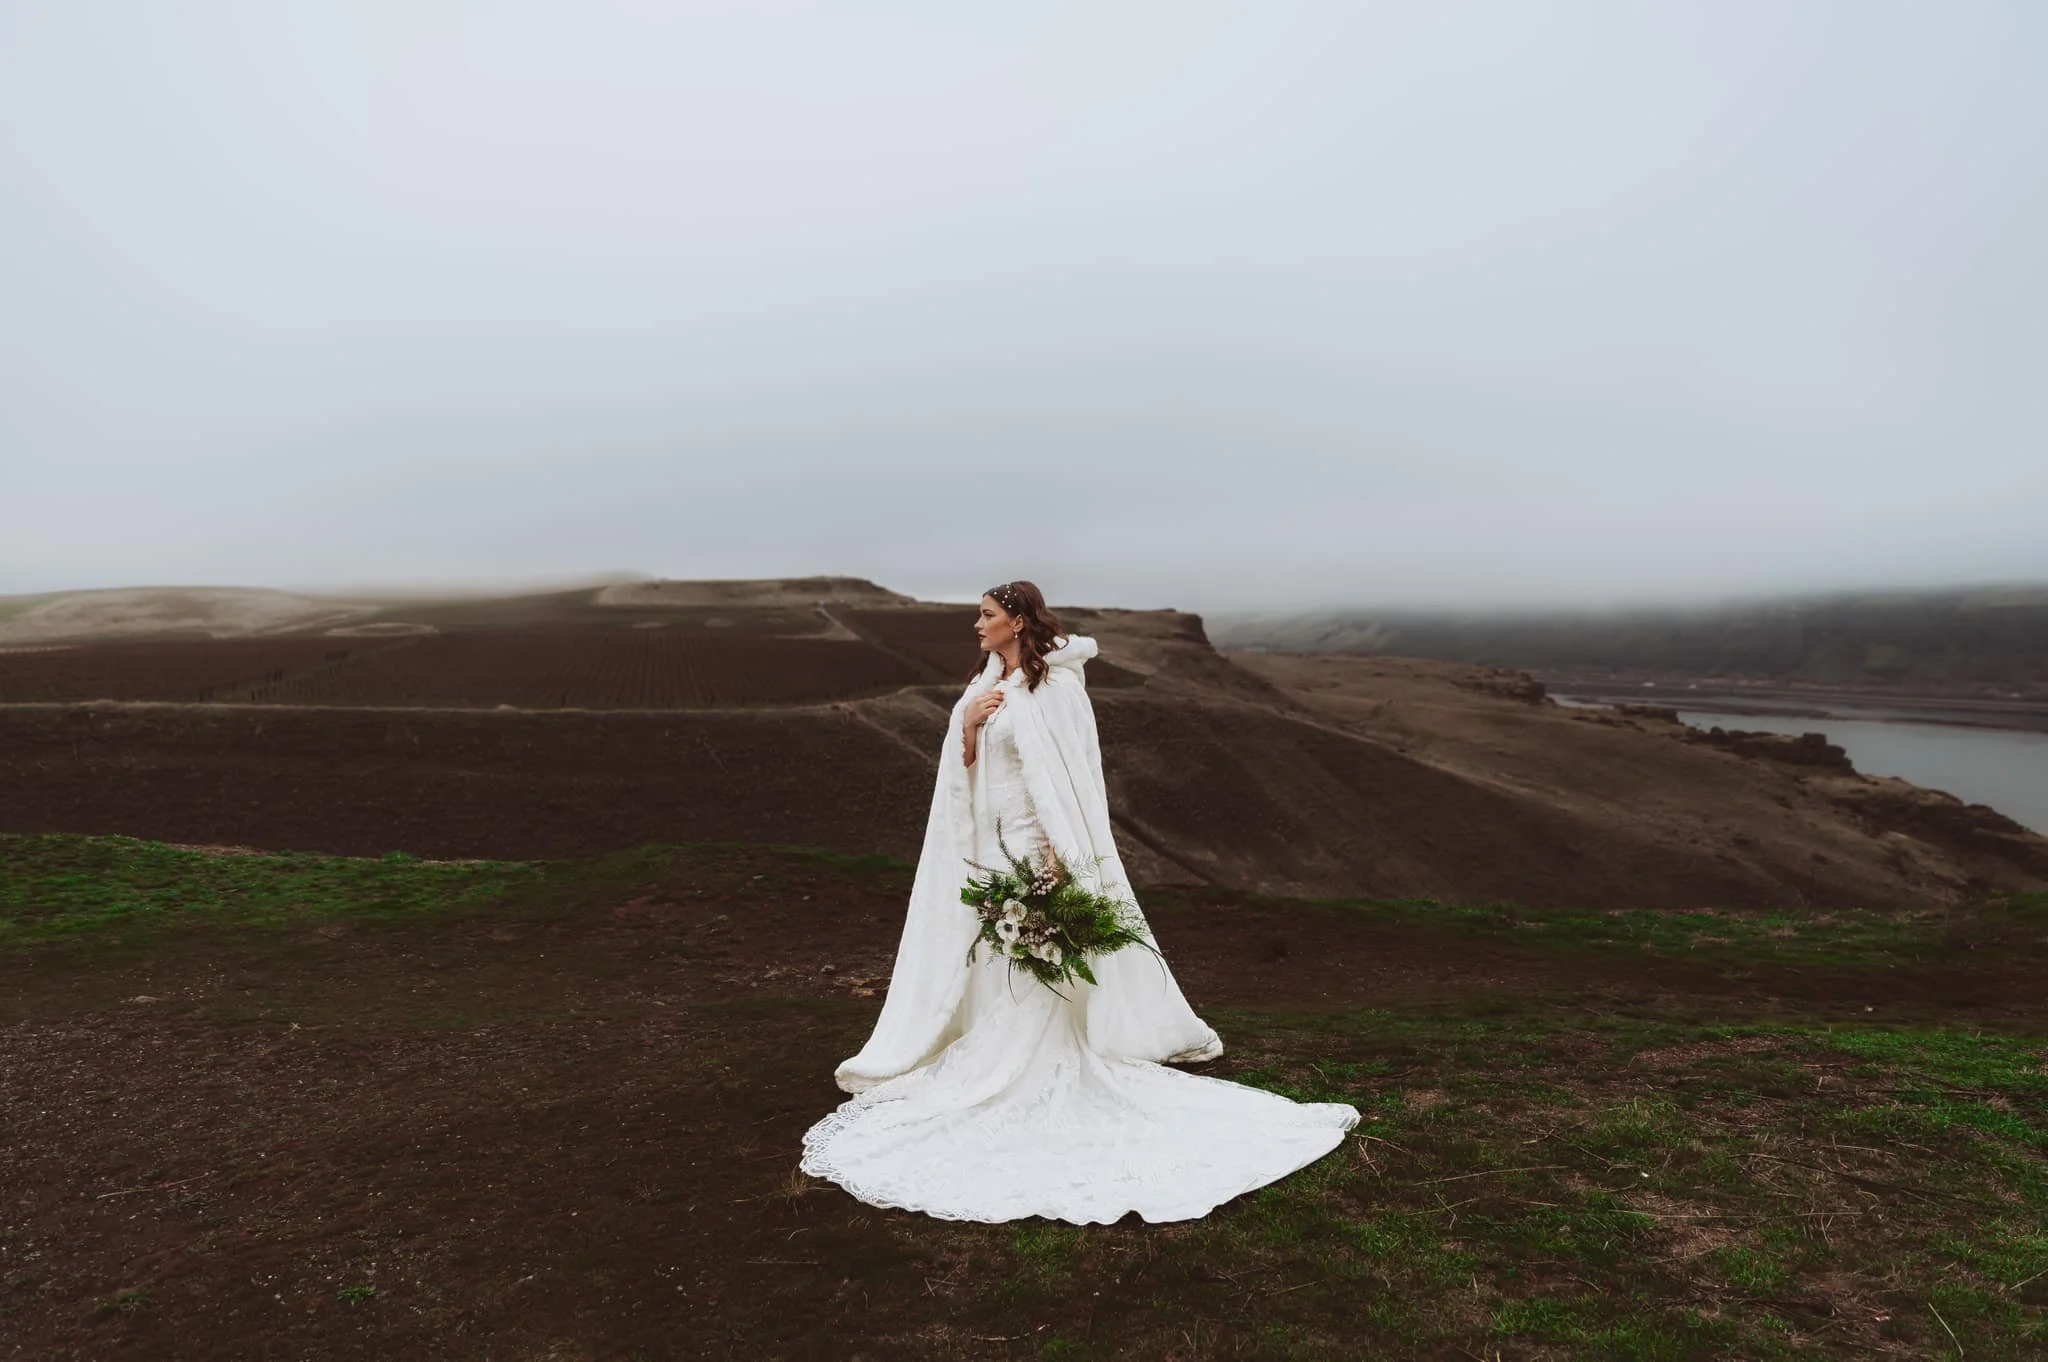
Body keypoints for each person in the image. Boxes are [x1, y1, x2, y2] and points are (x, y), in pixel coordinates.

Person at [799, 581, 1359, 1224]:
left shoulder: (1057, 687)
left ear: (1015, 621)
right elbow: (971, 767)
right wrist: (972, 729)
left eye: (985, 616)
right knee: (993, 947)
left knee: (1035, 947)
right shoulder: (987, 678)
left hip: (1037, 841)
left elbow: (1067, 776)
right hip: (990, 835)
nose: (976, 627)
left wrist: (1059, 858)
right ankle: (989, 1039)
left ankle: (1031, 1051)